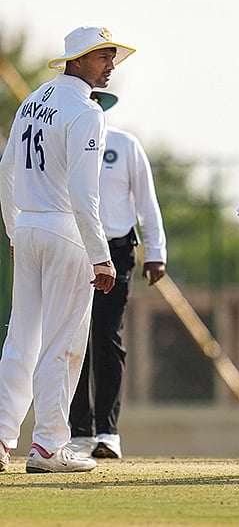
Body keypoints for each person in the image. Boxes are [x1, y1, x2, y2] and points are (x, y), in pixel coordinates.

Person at [0, 26, 131, 473]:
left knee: (22, 339)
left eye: (112, 57)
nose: (110, 65)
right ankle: (49, 445)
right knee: (64, 342)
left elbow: (6, 169)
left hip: (29, 227)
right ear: (76, 61)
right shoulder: (86, 111)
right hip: (64, 230)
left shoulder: (33, 100)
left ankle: (2, 436)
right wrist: (101, 254)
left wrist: (14, 231)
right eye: (101, 57)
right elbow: (83, 191)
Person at [67, 92, 167, 460]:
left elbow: (146, 201)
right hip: (73, 248)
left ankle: (107, 432)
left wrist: (155, 252)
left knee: (108, 337)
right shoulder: (64, 146)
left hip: (117, 249)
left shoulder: (124, 146)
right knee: (73, 338)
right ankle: (79, 431)